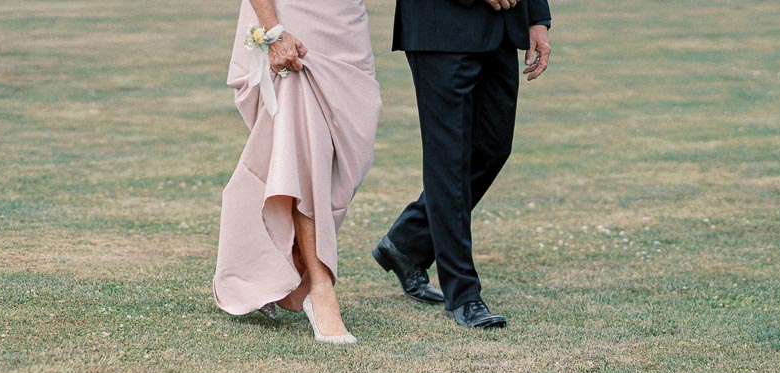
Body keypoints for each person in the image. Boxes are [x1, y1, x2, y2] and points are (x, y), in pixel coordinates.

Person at [372, 0, 552, 329]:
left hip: (502, 25)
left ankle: (407, 242)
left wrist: (537, 17)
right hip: (441, 23)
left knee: (493, 148)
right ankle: (464, 296)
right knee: (449, 160)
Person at [212, 0, 381, 345]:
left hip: (345, 26)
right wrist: (272, 31)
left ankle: (269, 265)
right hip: (292, 22)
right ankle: (321, 289)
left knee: (347, 153)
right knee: (304, 152)